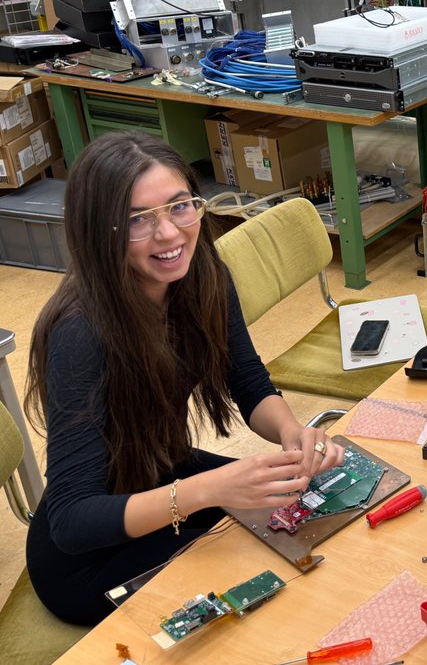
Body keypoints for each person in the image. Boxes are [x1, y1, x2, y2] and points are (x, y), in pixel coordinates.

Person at [24, 131, 344, 626]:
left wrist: (292, 433)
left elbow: (248, 380)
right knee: (263, 561)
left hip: (162, 468)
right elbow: (70, 521)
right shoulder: (78, 333)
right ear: (98, 230)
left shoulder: (204, 275)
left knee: (297, 508)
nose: (170, 235)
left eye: (179, 207)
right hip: (88, 560)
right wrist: (210, 489)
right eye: (137, 220)